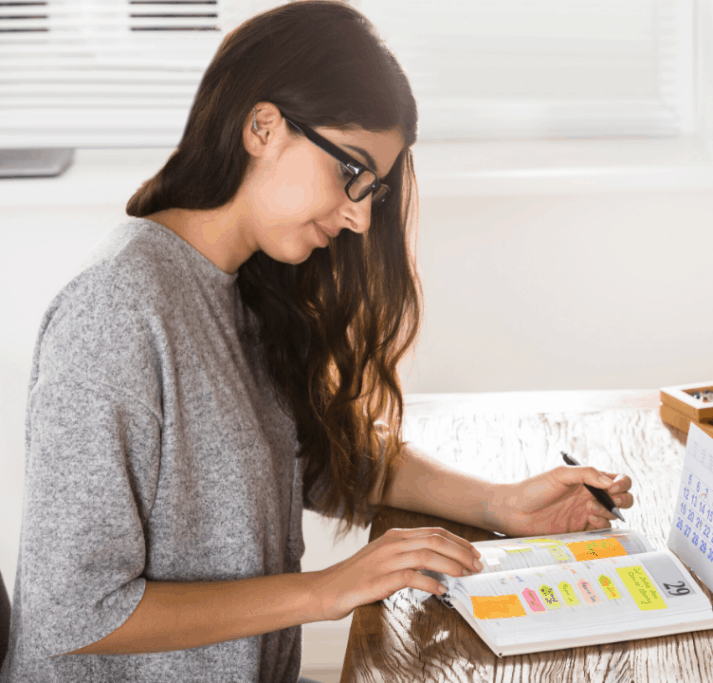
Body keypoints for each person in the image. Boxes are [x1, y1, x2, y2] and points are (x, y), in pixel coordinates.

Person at [0, 2, 634, 681]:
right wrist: (328, 589)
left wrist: (496, 502)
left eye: (374, 189)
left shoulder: (245, 286)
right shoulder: (117, 311)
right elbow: (76, 610)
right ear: (263, 127)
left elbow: (321, 457)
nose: (361, 216)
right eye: (351, 172)